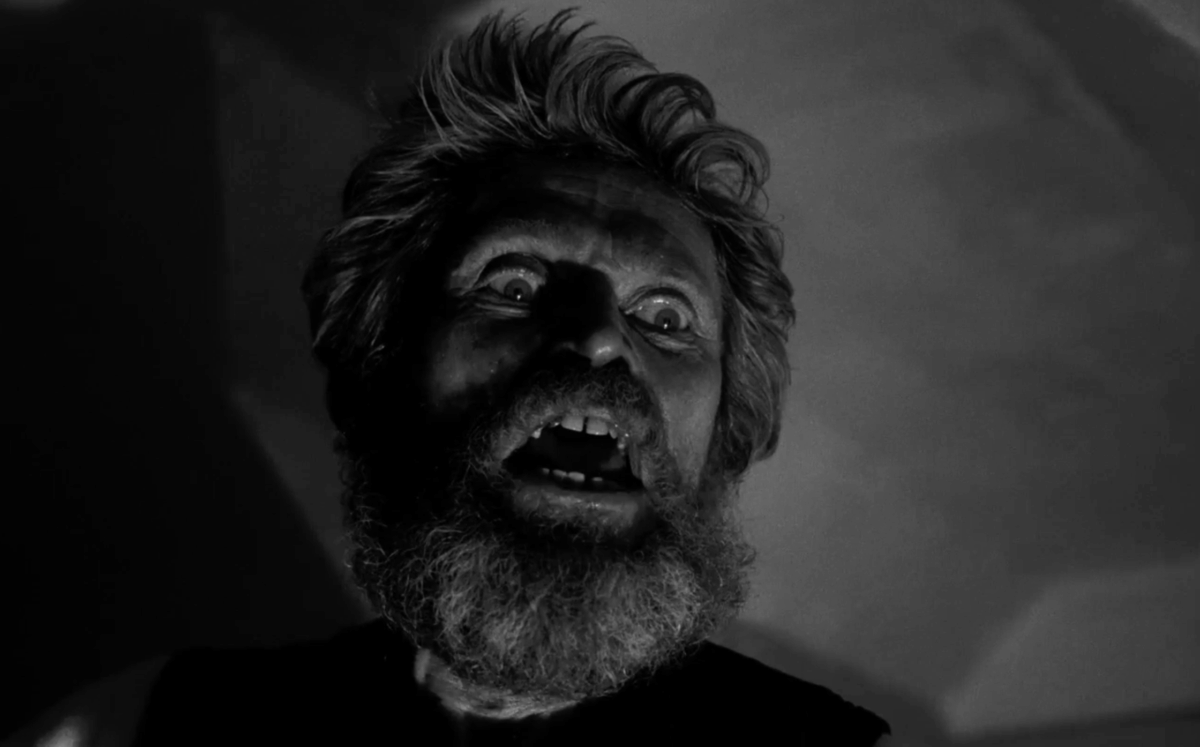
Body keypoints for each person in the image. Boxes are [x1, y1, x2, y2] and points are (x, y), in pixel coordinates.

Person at [6, 10, 895, 746]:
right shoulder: (142, 728)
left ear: (723, 432)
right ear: (382, 363)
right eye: (514, 286)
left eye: (666, 317)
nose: (595, 338)